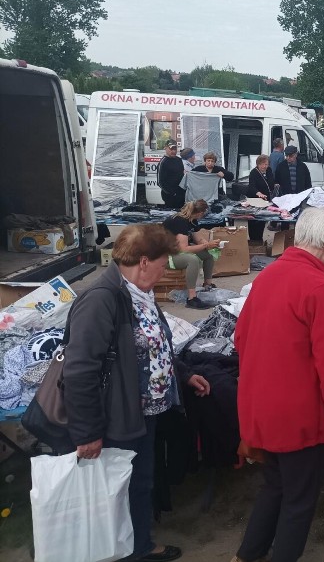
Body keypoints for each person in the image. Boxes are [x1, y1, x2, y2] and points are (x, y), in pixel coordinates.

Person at [63, 224, 211, 562]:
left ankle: (135, 542)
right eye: (161, 266)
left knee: (139, 479)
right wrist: (86, 432)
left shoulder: (138, 293)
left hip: (144, 411)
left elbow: (157, 347)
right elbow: (80, 370)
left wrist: (184, 376)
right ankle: (133, 548)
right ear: (143, 261)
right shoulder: (102, 300)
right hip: (119, 415)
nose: (163, 273)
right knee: (125, 484)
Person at [232, 208, 324, 562]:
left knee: (275, 486)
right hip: (299, 419)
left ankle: (247, 555)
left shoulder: (268, 276)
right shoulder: (322, 289)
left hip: (261, 407)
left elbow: (240, 338)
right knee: (299, 501)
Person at [164, 200, 220, 310]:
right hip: (166, 256)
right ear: (200, 213)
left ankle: (208, 285)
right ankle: (191, 298)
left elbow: (198, 238)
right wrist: (206, 245)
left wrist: (207, 245)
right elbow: (184, 249)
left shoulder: (191, 220)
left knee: (208, 254)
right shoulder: (179, 222)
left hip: (177, 252)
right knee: (192, 260)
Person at [247, 155, 276, 241]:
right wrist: (258, 193)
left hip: (265, 200)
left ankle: (260, 239)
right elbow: (251, 186)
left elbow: (271, 182)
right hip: (254, 199)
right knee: (253, 220)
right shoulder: (253, 173)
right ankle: (253, 240)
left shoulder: (269, 170)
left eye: (266, 164)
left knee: (262, 219)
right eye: (262, 164)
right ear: (258, 164)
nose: (264, 166)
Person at [157, 140, 186, 209]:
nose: (173, 151)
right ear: (165, 148)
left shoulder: (179, 160)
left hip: (181, 194)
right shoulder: (163, 162)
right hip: (169, 196)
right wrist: (172, 193)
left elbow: (182, 175)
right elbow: (159, 182)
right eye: (171, 149)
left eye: (175, 149)